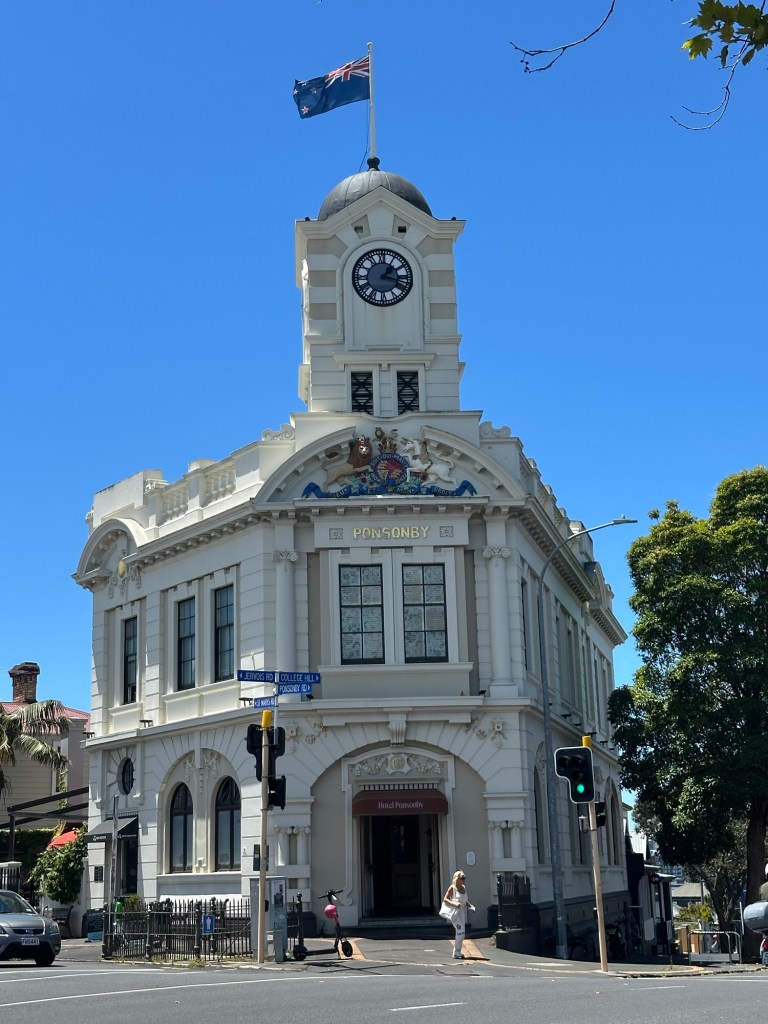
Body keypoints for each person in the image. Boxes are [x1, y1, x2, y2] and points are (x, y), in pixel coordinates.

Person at [443, 870, 475, 959]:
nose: (464, 880)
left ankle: (456, 951)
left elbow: (464, 900)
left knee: (461, 933)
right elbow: (445, 899)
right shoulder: (452, 888)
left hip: (461, 914)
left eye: (464, 878)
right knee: (460, 932)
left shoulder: (464, 888)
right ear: (457, 879)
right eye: (462, 878)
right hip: (455, 914)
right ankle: (456, 952)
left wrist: (470, 906)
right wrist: (454, 904)